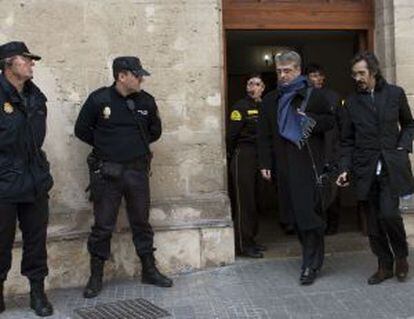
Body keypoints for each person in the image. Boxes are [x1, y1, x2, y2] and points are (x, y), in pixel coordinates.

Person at [75, 56, 172, 299]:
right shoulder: (99, 99)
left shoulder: (146, 101)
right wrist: (108, 148)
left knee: (141, 222)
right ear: (121, 76)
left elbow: (155, 131)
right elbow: (81, 129)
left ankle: (149, 270)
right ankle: (96, 276)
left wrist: (133, 147)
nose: (141, 79)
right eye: (137, 75)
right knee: (103, 226)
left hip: (137, 172)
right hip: (108, 172)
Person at [337, 52, 414, 285]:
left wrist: (402, 147)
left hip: (391, 165)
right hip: (364, 168)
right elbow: (347, 140)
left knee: (389, 214)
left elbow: (409, 124)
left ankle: (401, 257)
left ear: (374, 71)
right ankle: (384, 264)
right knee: (373, 221)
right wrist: (344, 168)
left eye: (361, 73)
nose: (357, 78)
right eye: (354, 74)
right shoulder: (351, 102)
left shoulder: (395, 94)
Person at [258, 51, 334, 285]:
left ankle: (310, 264)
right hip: (283, 166)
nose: (283, 75)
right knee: (294, 217)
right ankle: (311, 256)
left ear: (298, 70)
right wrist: (264, 163)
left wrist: (308, 120)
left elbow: (331, 122)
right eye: (279, 71)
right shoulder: (270, 100)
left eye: (288, 70)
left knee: (308, 214)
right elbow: (264, 135)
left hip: (307, 165)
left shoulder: (312, 95)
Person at [0, 41, 54, 317]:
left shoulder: (36, 97)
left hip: (34, 180)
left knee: (36, 241)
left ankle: (37, 292)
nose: (32, 63)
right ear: (9, 63)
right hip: (4, 183)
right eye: (27, 59)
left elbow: (36, 139)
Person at [227, 74, 266, 258]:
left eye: (257, 84)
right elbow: (231, 136)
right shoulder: (240, 107)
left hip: (260, 156)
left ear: (263, 88)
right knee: (244, 201)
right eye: (250, 83)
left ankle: (252, 239)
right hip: (244, 154)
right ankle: (243, 244)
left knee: (256, 199)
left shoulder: (264, 107)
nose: (253, 87)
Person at [305, 63, 341, 235]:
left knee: (333, 188)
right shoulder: (303, 97)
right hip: (312, 149)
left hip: (332, 148)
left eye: (320, 75)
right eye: (313, 75)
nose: (317, 79)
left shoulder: (334, 96)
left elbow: (342, 123)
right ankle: (315, 224)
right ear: (307, 78)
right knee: (313, 190)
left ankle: (333, 225)